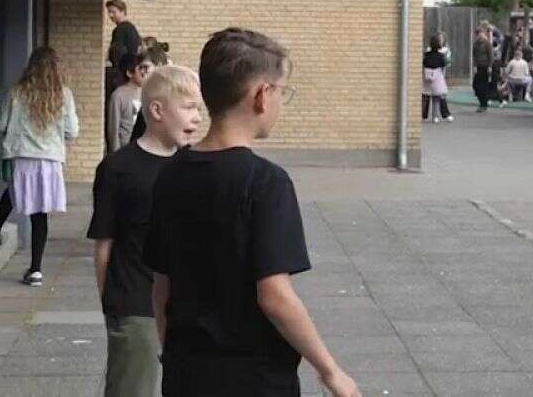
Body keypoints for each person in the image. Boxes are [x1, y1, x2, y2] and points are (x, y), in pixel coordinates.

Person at [143, 28, 360, 397]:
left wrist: (173, 353)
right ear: (262, 95)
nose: (280, 102)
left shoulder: (171, 173)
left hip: (186, 373)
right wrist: (331, 371)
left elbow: (161, 287)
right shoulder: (265, 183)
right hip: (254, 379)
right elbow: (274, 295)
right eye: (282, 91)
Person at [88, 66, 203, 397]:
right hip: (136, 306)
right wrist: (112, 306)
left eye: (199, 108)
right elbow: (104, 244)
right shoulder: (117, 168)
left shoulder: (194, 165)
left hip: (187, 306)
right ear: (156, 110)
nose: (197, 118)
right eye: (189, 107)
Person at [0, 47, 79, 286]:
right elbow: (72, 130)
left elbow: (2, 123)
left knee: (10, 198)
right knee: (39, 214)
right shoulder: (64, 95)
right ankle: (35, 270)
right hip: (49, 161)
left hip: (21, 157)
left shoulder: (17, 93)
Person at [107, 51, 156, 153]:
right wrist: (116, 155)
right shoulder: (118, 95)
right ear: (129, 73)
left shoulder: (147, 92)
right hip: (125, 149)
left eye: (146, 69)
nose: (145, 73)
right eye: (140, 69)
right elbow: (113, 129)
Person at [130, 45, 172, 143]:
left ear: (160, 66)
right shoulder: (150, 95)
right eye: (140, 68)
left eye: (146, 67)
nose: (142, 72)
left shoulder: (172, 95)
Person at [422, 36, 452, 123]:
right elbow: (444, 64)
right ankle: (436, 117)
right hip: (437, 78)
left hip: (427, 78)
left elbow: (424, 63)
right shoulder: (441, 56)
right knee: (437, 97)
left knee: (425, 97)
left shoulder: (426, 55)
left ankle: (423, 115)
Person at [471, 25, 493, 113]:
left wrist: (490, 66)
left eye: (481, 33)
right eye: (478, 33)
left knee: (483, 86)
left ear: (484, 34)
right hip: (478, 66)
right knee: (475, 84)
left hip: (485, 66)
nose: (480, 35)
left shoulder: (487, 43)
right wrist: (474, 66)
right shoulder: (476, 44)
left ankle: (483, 104)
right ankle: (482, 100)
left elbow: (490, 55)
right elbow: (474, 55)